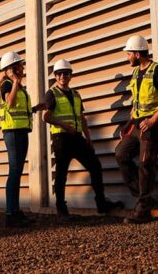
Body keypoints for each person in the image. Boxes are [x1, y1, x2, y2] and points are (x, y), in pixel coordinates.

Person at [42, 58, 123, 218]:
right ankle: (61, 208)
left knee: (95, 166)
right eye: (59, 74)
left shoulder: (76, 94)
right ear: (55, 76)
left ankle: (101, 204)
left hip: (77, 138)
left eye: (66, 73)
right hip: (61, 138)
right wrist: (65, 125)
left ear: (70, 75)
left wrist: (89, 139)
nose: (62, 76)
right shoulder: (51, 94)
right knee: (61, 173)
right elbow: (46, 117)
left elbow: (82, 118)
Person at [114, 35, 158, 224]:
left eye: (129, 53)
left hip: (152, 125)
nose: (127, 57)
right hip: (136, 123)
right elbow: (137, 102)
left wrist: (153, 120)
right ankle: (145, 198)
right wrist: (127, 125)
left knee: (145, 164)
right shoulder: (135, 74)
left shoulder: (157, 70)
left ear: (138, 54)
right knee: (120, 154)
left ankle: (142, 212)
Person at [0, 51, 45, 227]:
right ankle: (11, 214)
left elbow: (16, 109)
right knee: (14, 172)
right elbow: (9, 103)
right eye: (19, 65)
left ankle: (15, 212)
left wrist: (35, 108)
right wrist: (16, 81)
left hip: (20, 131)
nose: (22, 67)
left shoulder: (16, 85)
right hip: (13, 133)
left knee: (16, 172)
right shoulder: (7, 85)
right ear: (11, 68)